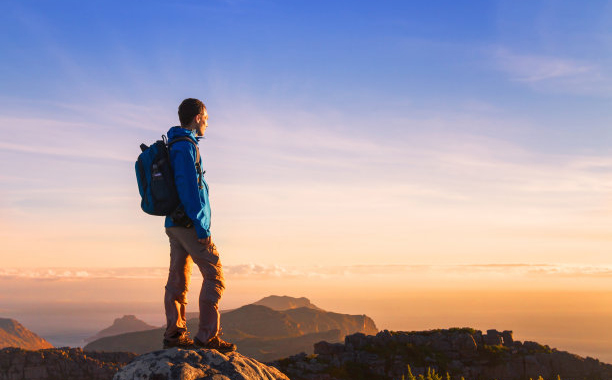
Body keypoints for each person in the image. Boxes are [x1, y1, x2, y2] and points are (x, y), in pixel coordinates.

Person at [162, 98, 235, 352]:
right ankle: (206, 337)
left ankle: (174, 333)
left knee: (178, 277)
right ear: (197, 117)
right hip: (189, 224)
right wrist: (202, 227)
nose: (207, 123)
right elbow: (189, 190)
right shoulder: (185, 146)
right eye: (206, 118)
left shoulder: (174, 144)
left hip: (174, 222)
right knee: (214, 276)